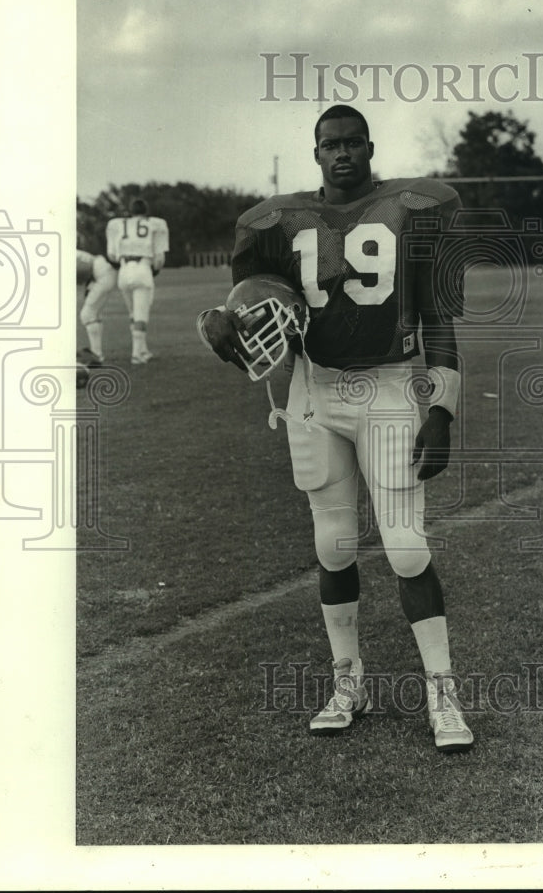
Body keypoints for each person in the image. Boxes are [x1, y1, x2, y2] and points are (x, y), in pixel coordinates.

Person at [198, 105, 474, 753]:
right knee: (334, 544)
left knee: (406, 545)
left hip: (388, 385)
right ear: (316, 152)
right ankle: (348, 683)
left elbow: (436, 315)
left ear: (369, 147)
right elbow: (251, 306)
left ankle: (442, 692)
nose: (342, 153)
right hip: (315, 387)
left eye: (353, 143)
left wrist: (443, 407)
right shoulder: (276, 222)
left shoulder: (411, 208)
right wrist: (223, 325)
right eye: (331, 145)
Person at [106, 198, 170, 364]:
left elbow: (112, 255)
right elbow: (159, 258)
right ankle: (136, 354)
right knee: (141, 314)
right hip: (142, 268)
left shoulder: (117, 224)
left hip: (124, 270)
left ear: (130, 211)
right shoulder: (156, 224)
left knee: (133, 314)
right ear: (146, 211)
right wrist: (154, 268)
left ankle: (142, 350)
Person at [77, 247, 118, 362]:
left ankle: (96, 355)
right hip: (101, 273)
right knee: (92, 315)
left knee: (87, 315)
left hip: (101, 275)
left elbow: (85, 270)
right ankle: (97, 354)